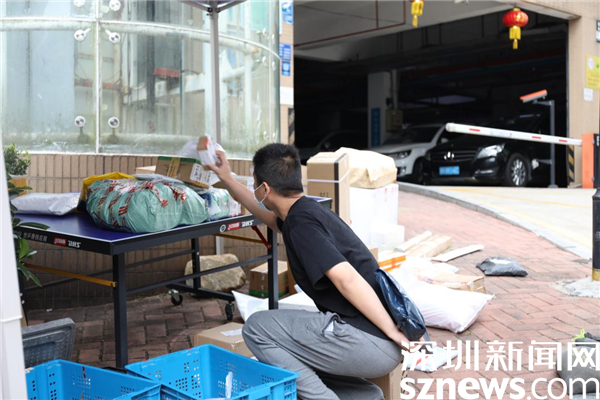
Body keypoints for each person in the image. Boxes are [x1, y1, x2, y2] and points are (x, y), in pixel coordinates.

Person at [208, 143, 421, 400]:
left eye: (255, 184)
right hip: (376, 341)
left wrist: (392, 332)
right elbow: (265, 215)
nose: (254, 190)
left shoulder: (302, 225)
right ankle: (366, 396)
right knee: (292, 348)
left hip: (371, 341)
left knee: (256, 328)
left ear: (264, 188)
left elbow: (347, 279)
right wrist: (228, 179)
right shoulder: (306, 211)